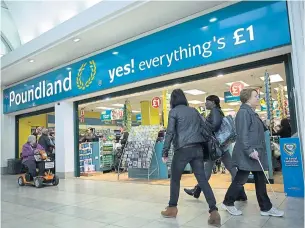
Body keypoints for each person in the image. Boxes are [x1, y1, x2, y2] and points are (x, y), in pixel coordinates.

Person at [161, 89, 221, 227]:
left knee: (175, 179)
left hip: (182, 150)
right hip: (197, 149)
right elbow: (205, 127)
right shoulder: (194, 111)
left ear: (172, 100)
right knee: (202, 180)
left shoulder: (174, 112)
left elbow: (170, 132)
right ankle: (214, 211)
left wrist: (164, 151)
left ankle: (172, 208)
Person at [221, 88, 284, 217]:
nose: (258, 98)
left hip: (255, 153)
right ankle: (228, 202)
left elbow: (257, 130)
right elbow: (243, 135)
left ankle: (266, 207)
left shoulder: (251, 112)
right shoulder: (244, 112)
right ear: (248, 98)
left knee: (259, 179)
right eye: (255, 96)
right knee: (241, 179)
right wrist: (250, 151)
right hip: (249, 153)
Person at [184, 95, 247, 200]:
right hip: (220, 145)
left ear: (213, 102)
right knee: (229, 168)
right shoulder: (217, 111)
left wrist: (202, 120)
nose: (205, 103)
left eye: (207, 101)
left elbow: (215, 126)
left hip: (215, 146)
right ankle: (241, 193)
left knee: (208, 170)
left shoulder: (215, 112)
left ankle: (197, 190)